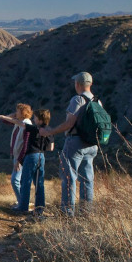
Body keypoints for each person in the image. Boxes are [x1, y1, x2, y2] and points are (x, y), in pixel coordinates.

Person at [39, 72, 99, 216]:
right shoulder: (98, 101)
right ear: (90, 84)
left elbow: (69, 123)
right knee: (87, 179)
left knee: (68, 177)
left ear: (77, 84)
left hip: (75, 143)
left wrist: (50, 132)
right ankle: (86, 213)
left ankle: (67, 212)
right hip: (92, 144)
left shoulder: (77, 100)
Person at [0, 109, 53, 214]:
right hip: (41, 156)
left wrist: (3, 116)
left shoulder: (34, 128)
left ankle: (23, 207)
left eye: (35, 117)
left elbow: (19, 123)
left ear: (39, 119)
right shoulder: (49, 130)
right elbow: (51, 148)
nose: (33, 119)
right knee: (39, 183)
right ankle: (39, 208)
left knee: (25, 182)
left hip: (31, 156)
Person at [4, 104, 33, 210]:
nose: (16, 113)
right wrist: (12, 115)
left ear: (23, 113)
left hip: (21, 156)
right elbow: (6, 121)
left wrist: (19, 160)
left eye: (17, 111)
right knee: (19, 181)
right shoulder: (19, 123)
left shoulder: (26, 124)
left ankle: (22, 204)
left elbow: (26, 144)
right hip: (17, 155)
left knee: (15, 180)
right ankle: (22, 202)